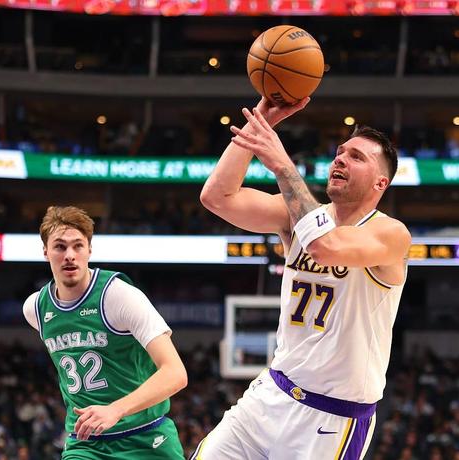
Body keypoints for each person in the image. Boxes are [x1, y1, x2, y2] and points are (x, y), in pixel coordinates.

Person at [195, 97, 411, 459]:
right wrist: (260, 122)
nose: (340, 159)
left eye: (357, 157)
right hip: (272, 393)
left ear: (380, 183)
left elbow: (325, 246)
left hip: (332, 417)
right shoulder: (294, 215)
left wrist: (282, 164)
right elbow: (216, 197)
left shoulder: (390, 234)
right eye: (340, 153)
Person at [22, 206, 187, 459]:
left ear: (89, 249)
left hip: (145, 436)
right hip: (85, 443)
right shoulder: (35, 308)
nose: (69, 255)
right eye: (60, 247)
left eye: (78, 246)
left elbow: (176, 374)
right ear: (45, 251)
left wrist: (115, 410)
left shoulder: (119, 295)